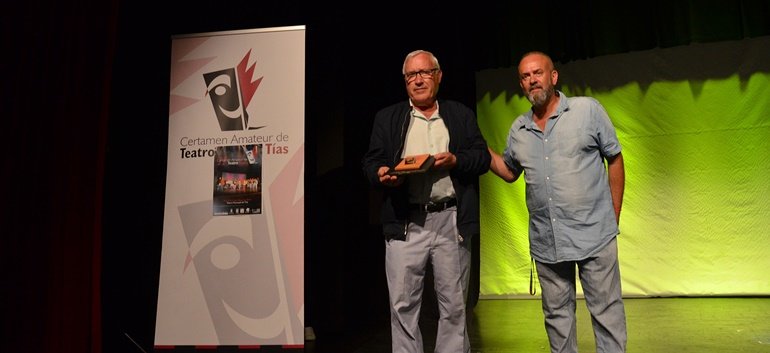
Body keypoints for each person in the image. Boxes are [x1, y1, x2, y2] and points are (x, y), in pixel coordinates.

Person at [488, 51, 627, 353]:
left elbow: (615, 158)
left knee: (606, 313)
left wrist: (613, 216)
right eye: (525, 76)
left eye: (537, 73)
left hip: (594, 236)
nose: (531, 80)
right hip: (547, 242)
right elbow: (510, 172)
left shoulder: (586, 111)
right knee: (557, 319)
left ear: (553, 77)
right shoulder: (519, 130)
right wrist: (480, 149)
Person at [362, 49, 490, 353]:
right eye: (411, 75)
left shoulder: (459, 114)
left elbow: (482, 157)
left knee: (455, 305)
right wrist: (381, 173)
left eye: (424, 73)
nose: (418, 80)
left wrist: (455, 160)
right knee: (403, 305)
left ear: (438, 76)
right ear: (405, 81)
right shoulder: (388, 117)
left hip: (450, 219)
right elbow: (371, 162)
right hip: (406, 222)